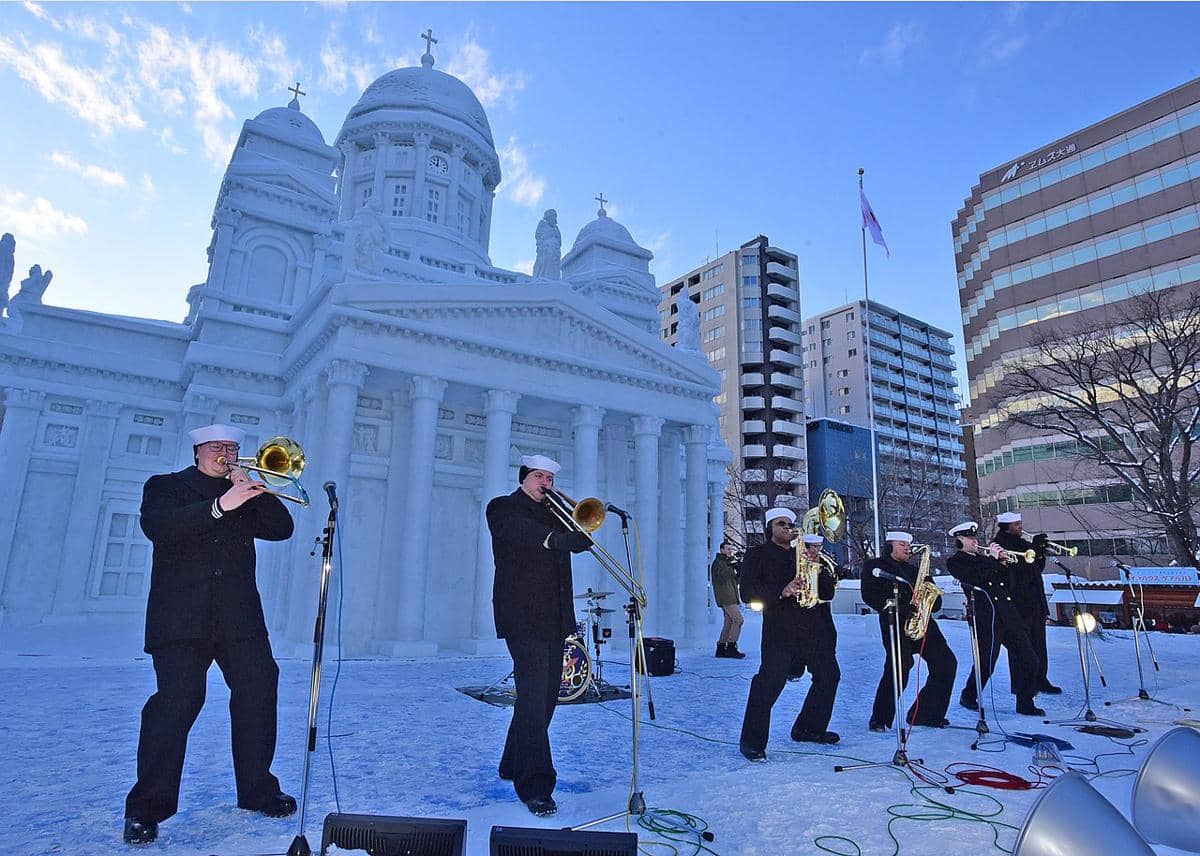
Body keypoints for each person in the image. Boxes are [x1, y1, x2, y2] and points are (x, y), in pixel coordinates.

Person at [123, 424, 296, 846]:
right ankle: (146, 810)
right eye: (219, 446)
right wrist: (221, 506)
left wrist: (256, 488)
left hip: (240, 619)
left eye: (233, 447)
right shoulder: (166, 486)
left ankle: (257, 790)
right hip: (182, 620)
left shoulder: (244, 490)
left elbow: (281, 528)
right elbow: (161, 528)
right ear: (199, 450)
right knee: (177, 703)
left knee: (259, 690)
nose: (227, 452)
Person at [486, 453, 590, 818]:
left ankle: (512, 761)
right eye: (539, 477)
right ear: (524, 478)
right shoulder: (502, 508)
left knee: (544, 699)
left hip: (555, 618)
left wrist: (580, 528)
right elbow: (525, 535)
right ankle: (536, 785)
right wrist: (561, 538)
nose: (546, 483)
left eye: (550, 478)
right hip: (522, 617)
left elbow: (580, 542)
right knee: (532, 697)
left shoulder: (556, 514)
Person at [738, 508, 841, 762]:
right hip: (781, 630)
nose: (788, 527)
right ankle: (752, 743)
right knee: (769, 683)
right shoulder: (757, 555)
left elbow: (827, 593)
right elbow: (748, 592)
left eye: (791, 523)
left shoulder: (806, 554)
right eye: (781, 523)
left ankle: (809, 728)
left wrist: (817, 567)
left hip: (815, 629)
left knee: (829, 676)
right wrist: (782, 591)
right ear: (770, 527)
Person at [945, 522, 1044, 717]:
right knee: (987, 662)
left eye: (975, 538)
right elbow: (977, 578)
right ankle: (969, 694)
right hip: (986, 617)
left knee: (1029, 658)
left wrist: (1005, 564)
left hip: (1007, 613)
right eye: (969, 538)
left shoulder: (984, 559)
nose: (975, 541)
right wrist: (994, 560)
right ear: (959, 541)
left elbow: (1008, 584)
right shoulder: (956, 562)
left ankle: (1025, 701)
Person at [861, 531, 957, 732]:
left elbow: (936, 604)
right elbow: (869, 595)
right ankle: (880, 719)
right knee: (899, 668)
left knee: (946, 663)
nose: (908, 548)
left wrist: (931, 592)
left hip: (924, 623)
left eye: (909, 544)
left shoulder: (915, 570)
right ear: (889, 545)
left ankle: (926, 714)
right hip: (894, 622)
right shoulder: (875, 566)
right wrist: (899, 607)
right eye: (902, 544)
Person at [995, 512, 1062, 695]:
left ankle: (1040, 678)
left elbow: (1035, 569)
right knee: (1021, 648)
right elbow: (1020, 571)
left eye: (1020, 523)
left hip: (1035, 602)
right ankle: (1022, 685)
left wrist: (1039, 551)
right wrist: (1035, 549)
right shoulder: (1000, 545)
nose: (1020, 527)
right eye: (1016, 524)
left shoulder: (1024, 544)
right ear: (1006, 526)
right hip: (1018, 603)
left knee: (1039, 644)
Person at [711, 541, 746, 658]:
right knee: (738, 620)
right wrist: (732, 565)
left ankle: (721, 648)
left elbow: (735, 580)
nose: (730, 551)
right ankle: (731, 646)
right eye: (728, 549)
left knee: (729, 622)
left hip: (730, 595)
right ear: (722, 550)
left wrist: (738, 570)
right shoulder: (718, 563)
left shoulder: (726, 563)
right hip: (726, 597)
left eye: (731, 549)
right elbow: (722, 577)